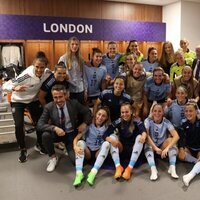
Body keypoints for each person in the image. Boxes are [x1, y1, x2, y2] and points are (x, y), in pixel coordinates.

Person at [2, 51, 51, 162]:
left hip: (32, 100)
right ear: (33, 65)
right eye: (37, 67)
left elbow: (56, 73)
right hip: (18, 100)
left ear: (45, 67)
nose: (39, 70)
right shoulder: (26, 75)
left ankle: (39, 144)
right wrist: (15, 88)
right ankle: (23, 149)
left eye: (42, 67)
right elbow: (5, 85)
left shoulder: (47, 72)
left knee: (40, 123)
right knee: (19, 125)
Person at [37, 85, 92, 172]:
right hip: (57, 134)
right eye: (55, 97)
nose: (58, 100)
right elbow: (39, 124)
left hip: (71, 135)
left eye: (60, 97)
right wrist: (54, 128)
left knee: (76, 162)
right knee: (45, 135)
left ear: (65, 96)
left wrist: (84, 123)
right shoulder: (49, 107)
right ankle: (53, 158)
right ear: (52, 97)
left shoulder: (74, 103)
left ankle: (68, 148)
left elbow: (87, 112)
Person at [101, 102, 147, 181]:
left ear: (131, 112)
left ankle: (129, 168)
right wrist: (111, 140)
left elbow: (143, 130)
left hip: (134, 148)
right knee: (112, 138)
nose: (124, 114)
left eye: (127, 112)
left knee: (139, 137)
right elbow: (105, 134)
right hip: (122, 148)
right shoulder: (118, 121)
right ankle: (118, 167)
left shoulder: (136, 120)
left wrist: (143, 136)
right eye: (122, 112)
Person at [72, 106, 111, 187]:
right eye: (99, 114)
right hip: (88, 152)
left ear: (106, 118)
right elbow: (76, 138)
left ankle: (93, 172)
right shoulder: (89, 125)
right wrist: (75, 146)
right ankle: (79, 173)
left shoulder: (107, 128)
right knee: (80, 142)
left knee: (107, 144)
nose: (100, 117)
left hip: (98, 152)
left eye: (103, 116)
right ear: (95, 114)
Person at [144, 103, 180, 181]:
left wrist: (167, 148)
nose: (157, 113)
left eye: (159, 111)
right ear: (152, 112)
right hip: (153, 146)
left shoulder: (166, 121)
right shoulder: (147, 120)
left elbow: (176, 136)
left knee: (171, 141)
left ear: (163, 113)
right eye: (155, 111)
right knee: (147, 143)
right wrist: (155, 148)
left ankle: (172, 167)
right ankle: (153, 169)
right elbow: (146, 136)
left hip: (162, 147)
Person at [58, 36, 86, 104]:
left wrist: (85, 90)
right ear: (69, 45)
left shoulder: (81, 59)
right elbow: (59, 76)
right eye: (72, 44)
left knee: (80, 111)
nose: (74, 46)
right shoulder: (63, 58)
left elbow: (84, 76)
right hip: (69, 91)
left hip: (80, 90)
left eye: (76, 44)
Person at [177, 103, 200, 186]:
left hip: (199, 149)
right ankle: (196, 162)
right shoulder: (184, 124)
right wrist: (182, 149)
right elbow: (181, 139)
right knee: (178, 153)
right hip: (189, 149)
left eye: (191, 111)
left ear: (196, 112)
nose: (188, 113)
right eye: (186, 111)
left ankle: (189, 176)